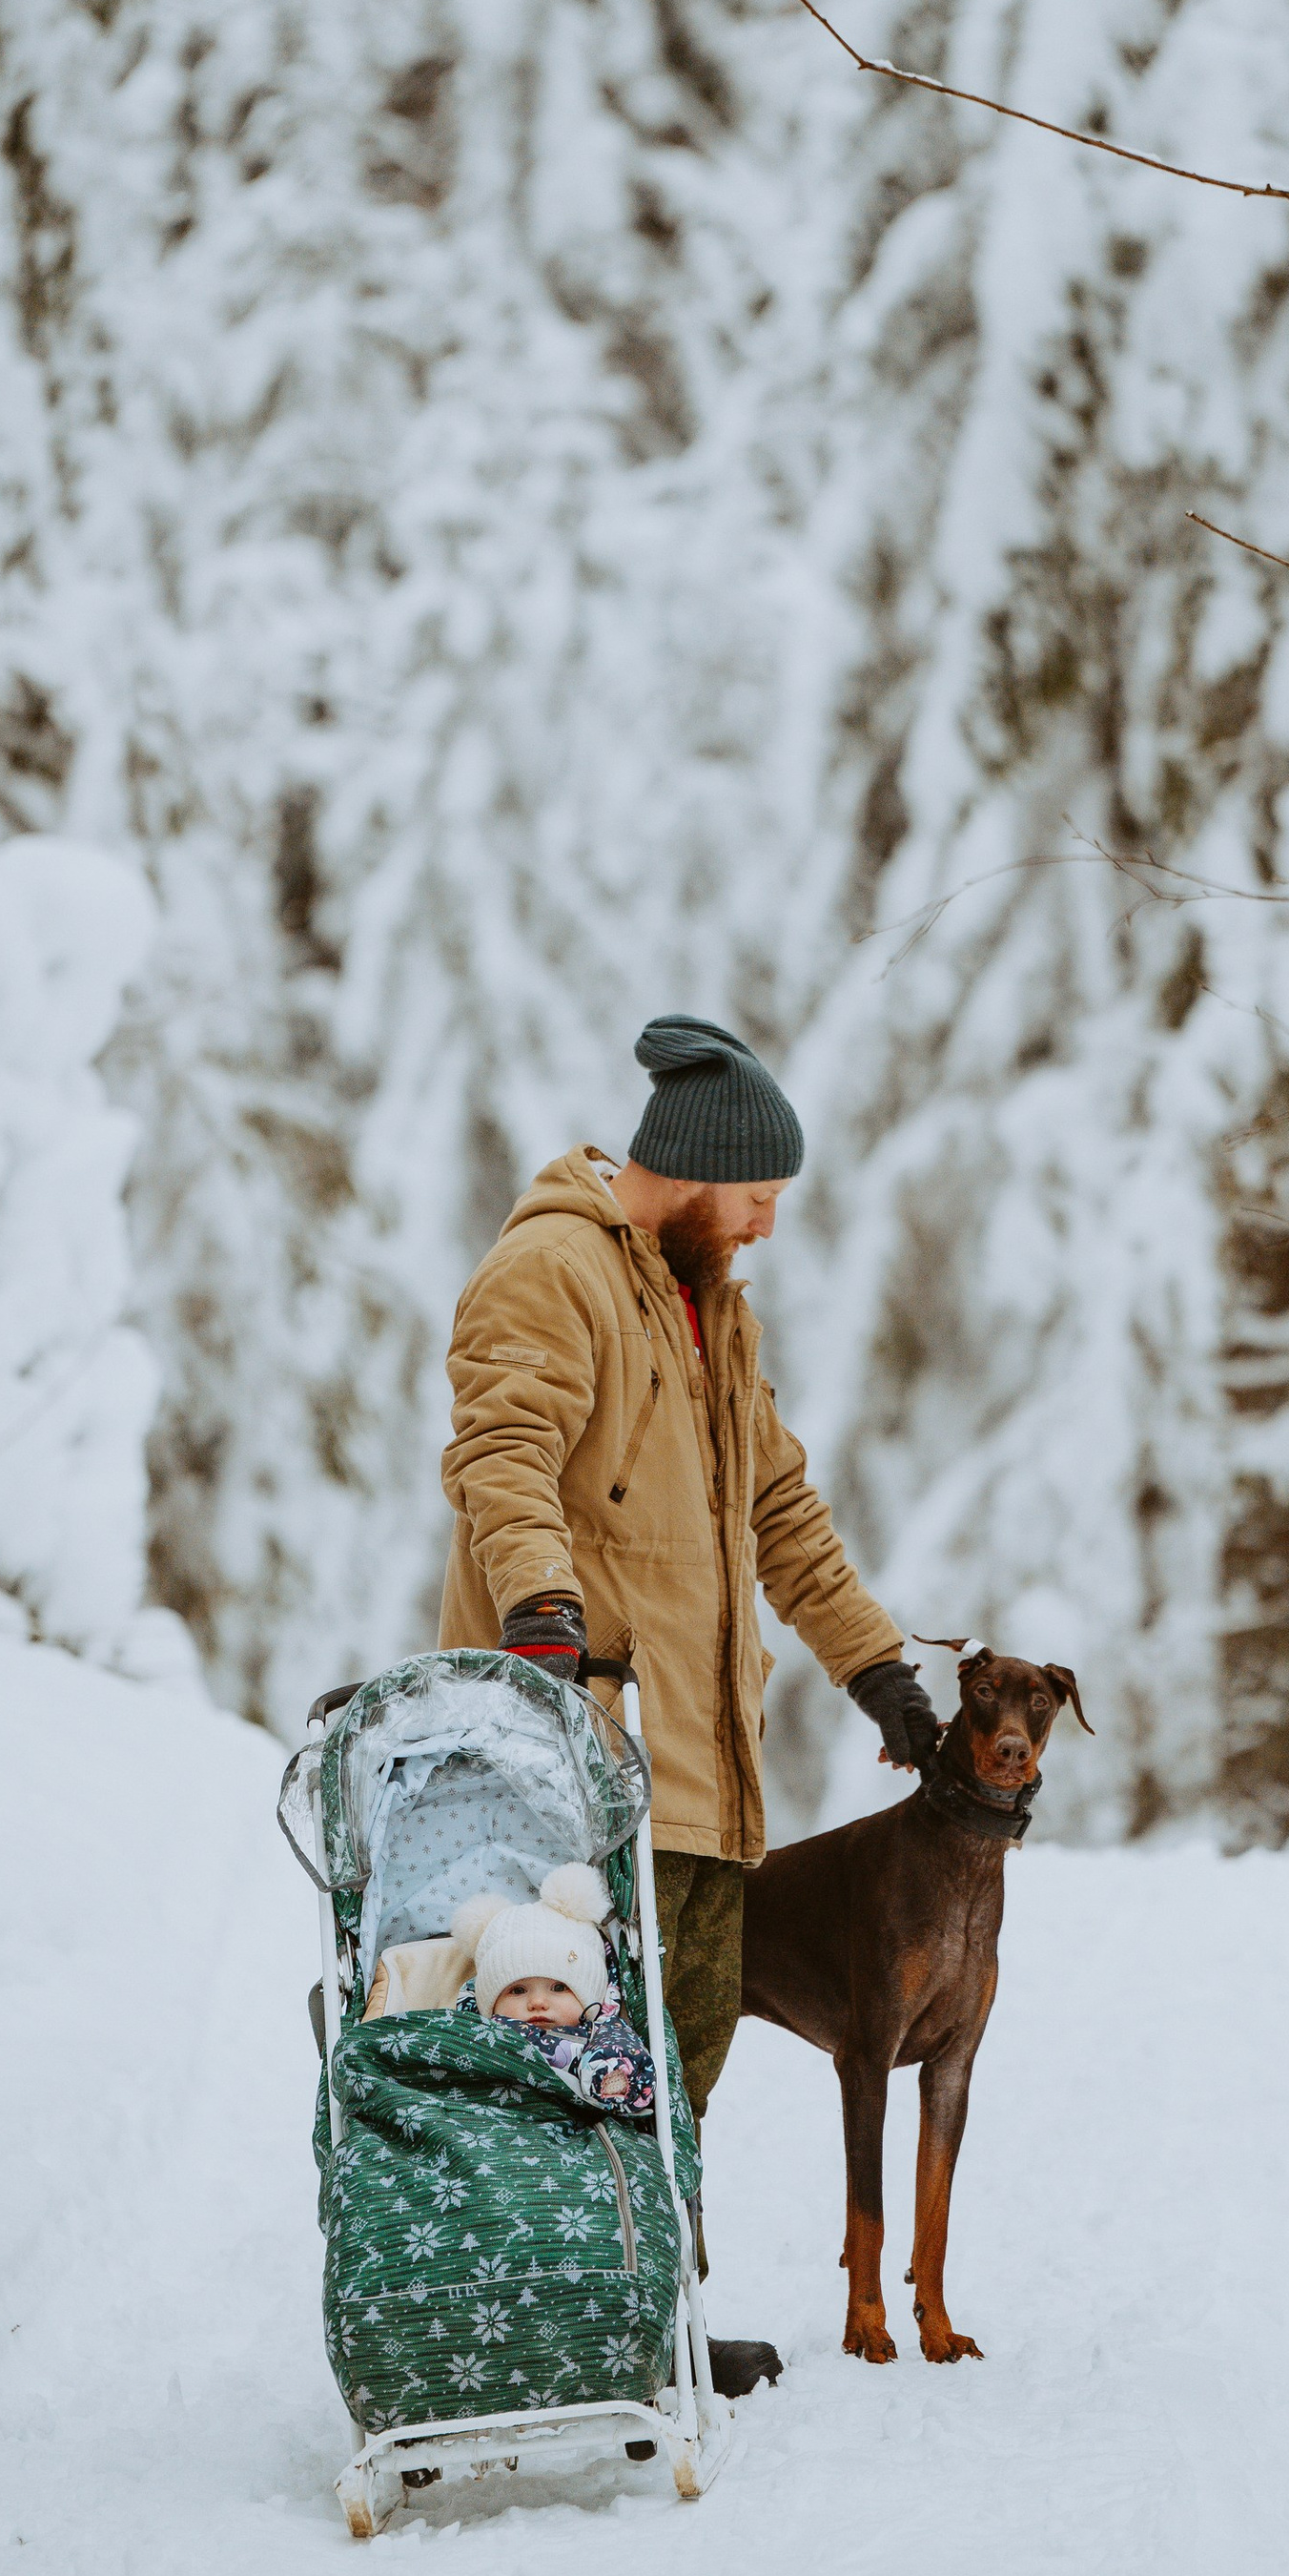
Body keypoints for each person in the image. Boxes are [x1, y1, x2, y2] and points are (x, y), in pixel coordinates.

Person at [438, 1012, 942, 2393]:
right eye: (762, 1195)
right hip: (579, 1748)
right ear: (703, 1170)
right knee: (583, 2041)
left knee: (684, 2047)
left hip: (704, 1759)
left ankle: (648, 2306)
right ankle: (559, 2304)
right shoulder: (553, 1272)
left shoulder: (708, 1301)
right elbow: (502, 1447)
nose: (770, 1223)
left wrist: (876, 1664)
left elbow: (777, 1506)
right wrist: (538, 1598)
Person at [460, 1872, 660, 2120]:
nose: (537, 2003)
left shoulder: (600, 2032)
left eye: (558, 1988)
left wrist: (614, 2078)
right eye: (518, 1990)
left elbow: (625, 2058)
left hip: (565, 2123)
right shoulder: (472, 2029)